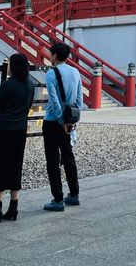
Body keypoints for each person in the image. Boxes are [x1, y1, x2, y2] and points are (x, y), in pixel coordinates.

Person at [0, 52, 34, 222]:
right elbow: (28, 107)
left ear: (12, 67)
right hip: (20, 129)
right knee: (15, 165)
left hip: (5, 128)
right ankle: (14, 207)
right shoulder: (30, 84)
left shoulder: (7, 85)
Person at [43, 42, 82, 211]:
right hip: (69, 120)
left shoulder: (51, 74)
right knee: (68, 156)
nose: (49, 57)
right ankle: (74, 194)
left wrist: (60, 119)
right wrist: (72, 120)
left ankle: (58, 199)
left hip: (53, 121)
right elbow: (79, 98)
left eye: (50, 54)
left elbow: (54, 99)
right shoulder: (75, 72)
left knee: (52, 159)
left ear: (55, 56)